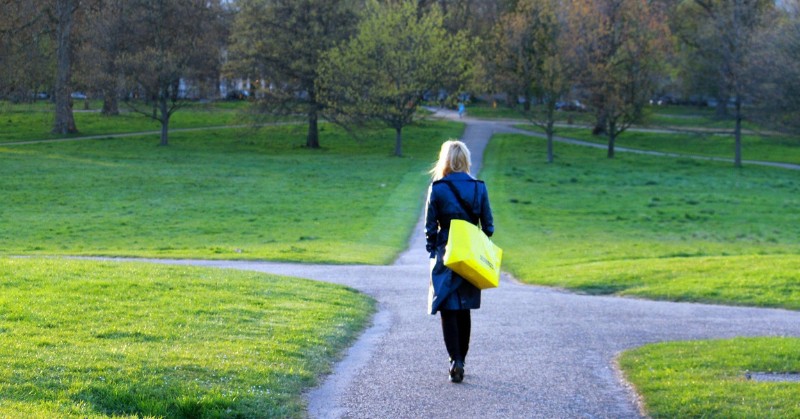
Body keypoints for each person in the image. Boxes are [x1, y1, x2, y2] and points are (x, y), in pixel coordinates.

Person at [425, 140, 494, 383]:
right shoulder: (479, 187)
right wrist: (474, 242)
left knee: (447, 307)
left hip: (446, 253)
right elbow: (489, 227)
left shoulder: (438, 188)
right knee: (464, 308)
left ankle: (455, 359)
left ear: (444, 160)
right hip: (470, 254)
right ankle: (461, 359)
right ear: (465, 160)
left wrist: (433, 250)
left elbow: (429, 229)